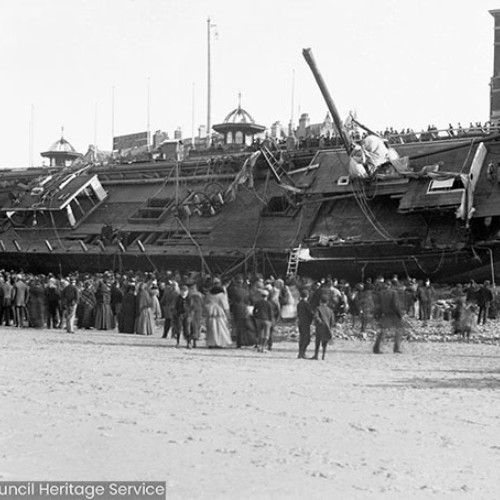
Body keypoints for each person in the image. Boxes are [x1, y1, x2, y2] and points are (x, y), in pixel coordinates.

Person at [373, 281, 404, 354]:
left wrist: (377, 315)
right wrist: (399, 314)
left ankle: (376, 348)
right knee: (399, 330)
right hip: (393, 314)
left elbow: (378, 306)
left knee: (382, 331)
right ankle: (396, 348)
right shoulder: (393, 293)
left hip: (385, 313)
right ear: (391, 285)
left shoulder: (380, 293)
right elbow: (395, 304)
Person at [204, 278, 232, 348]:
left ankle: (211, 342)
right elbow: (225, 305)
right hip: (219, 311)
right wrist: (227, 313)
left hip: (211, 311)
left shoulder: (209, 294)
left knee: (212, 327)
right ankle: (220, 343)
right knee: (220, 327)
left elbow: (206, 303)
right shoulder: (221, 294)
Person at [253, 289, 275, 353]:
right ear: (267, 296)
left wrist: (256, 316)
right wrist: (271, 320)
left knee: (260, 334)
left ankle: (259, 346)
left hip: (259, 319)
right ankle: (264, 347)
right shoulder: (269, 303)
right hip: (267, 319)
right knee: (266, 334)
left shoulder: (258, 303)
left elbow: (254, 311)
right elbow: (271, 313)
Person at [296, 289, 314, 359]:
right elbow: (311, 313)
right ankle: (302, 353)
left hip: (300, 322)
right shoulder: (306, 304)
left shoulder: (299, 304)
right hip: (306, 322)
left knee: (302, 338)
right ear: (307, 295)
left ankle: (300, 353)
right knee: (307, 339)